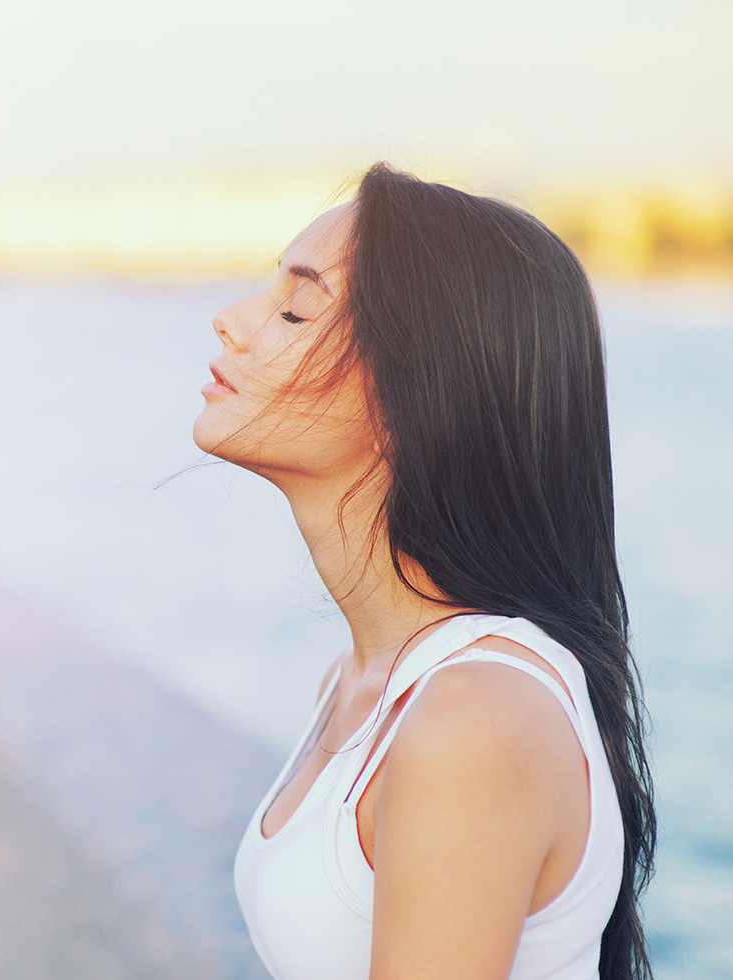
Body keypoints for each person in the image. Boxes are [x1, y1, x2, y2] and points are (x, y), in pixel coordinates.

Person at [193, 163, 656, 980]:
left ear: (419, 392)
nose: (232, 323)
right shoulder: (363, 681)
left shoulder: (475, 713)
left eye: (296, 309)